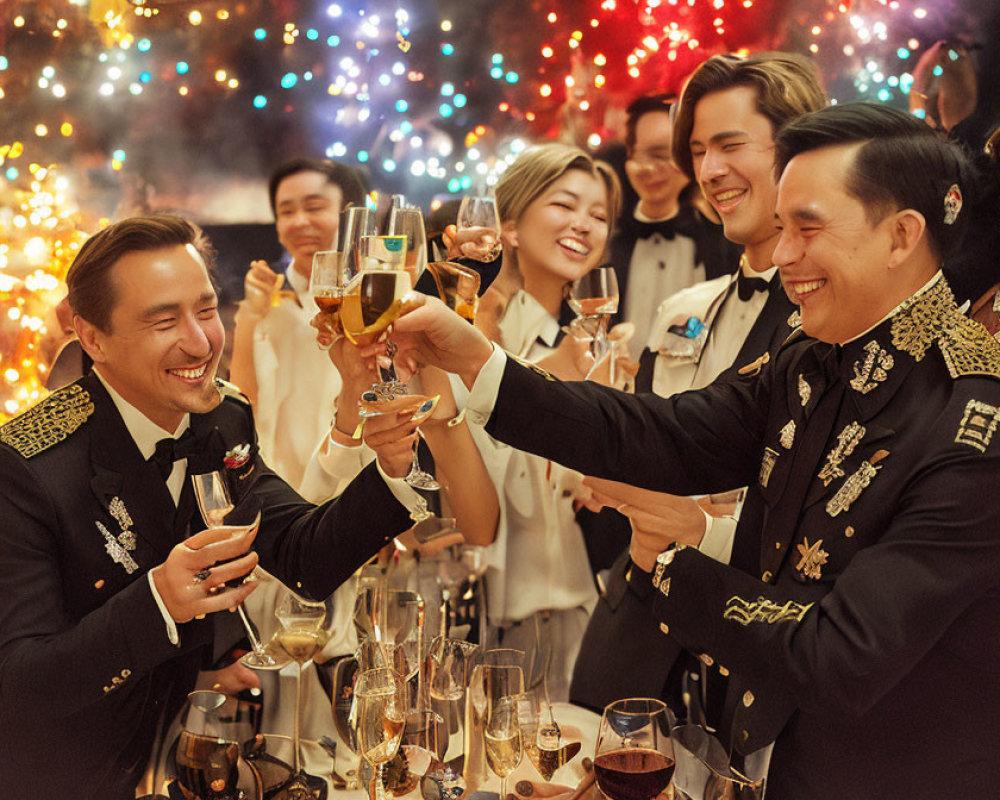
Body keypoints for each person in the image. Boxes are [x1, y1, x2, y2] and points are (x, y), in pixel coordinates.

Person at [390, 103, 1000, 798]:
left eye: (808, 227)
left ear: (902, 236)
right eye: (782, 227)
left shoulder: (973, 418)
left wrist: (678, 561)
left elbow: (841, 655)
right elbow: (666, 432)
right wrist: (478, 359)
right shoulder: (808, 357)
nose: (786, 255)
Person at [0, 215, 420, 800]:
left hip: (186, 766)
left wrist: (393, 469)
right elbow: (19, 685)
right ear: (92, 338)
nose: (201, 343)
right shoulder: (24, 466)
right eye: (163, 320)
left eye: (205, 309)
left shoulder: (221, 417)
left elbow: (304, 557)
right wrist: (159, 602)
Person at [570, 52, 826, 713]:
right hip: (640, 618)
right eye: (699, 151)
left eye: (730, 146)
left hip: (757, 640)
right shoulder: (682, 309)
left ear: (797, 150)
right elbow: (653, 445)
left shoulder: (831, 320)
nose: (709, 172)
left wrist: (710, 521)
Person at [448, 143, 623, 701]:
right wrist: (559, 373)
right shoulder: (470, 329)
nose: (584, 225)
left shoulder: (589, 339)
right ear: (512, 226)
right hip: (482, 606)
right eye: (565, 205)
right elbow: (459, 450)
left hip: (575, 594)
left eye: (598, 216)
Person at [229, 157, 367, 490]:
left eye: (314, 207)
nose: (299, 221)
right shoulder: (266, 297)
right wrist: (250, 313)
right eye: (286, 212)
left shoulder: (373, 298)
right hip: (280, 491)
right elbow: (241, 405)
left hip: (356, 487)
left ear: (347, 213)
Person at [609, 93, 736, 355]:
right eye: (639, 155)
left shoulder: (723, 241)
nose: (648, 168)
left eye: (662, 155)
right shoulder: (607, 243)